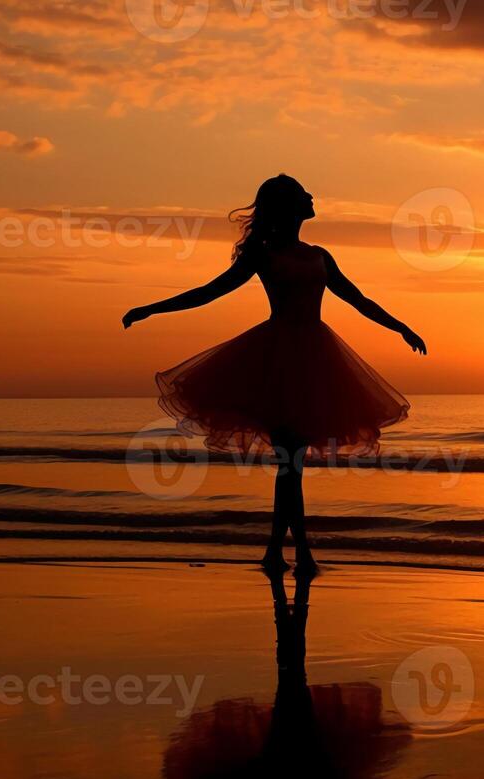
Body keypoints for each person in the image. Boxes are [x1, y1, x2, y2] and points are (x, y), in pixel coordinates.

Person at [123, 174, 426, 576]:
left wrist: (401, 327)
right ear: (288, 205)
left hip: (315, 361)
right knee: (290, 466)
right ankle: (298, 553)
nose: (312, 195)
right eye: (303, 193)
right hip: (275, 360)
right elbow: (211, 291)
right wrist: (151, 309)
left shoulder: (320, 255)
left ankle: (279, 552)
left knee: (291, 465)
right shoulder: (264, 254)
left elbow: (358, 299)